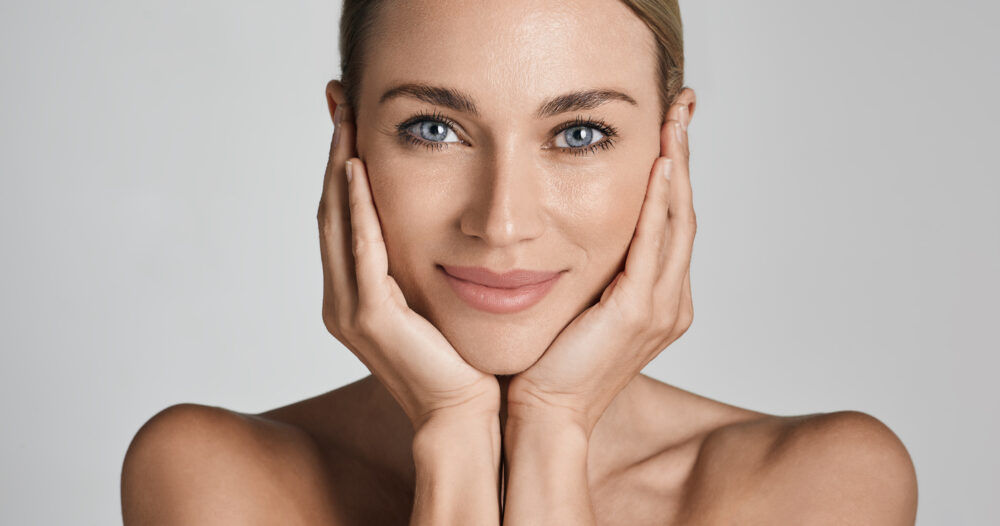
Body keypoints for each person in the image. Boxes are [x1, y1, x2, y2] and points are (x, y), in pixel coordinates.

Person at [120, 0, 918, 524]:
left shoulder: (825, 487)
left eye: (578, 134)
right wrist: (453, 439)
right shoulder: (212, 479)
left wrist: (554, 426)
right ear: (347, 135)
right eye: (433, 129)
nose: (501, 223)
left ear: (671, 148)